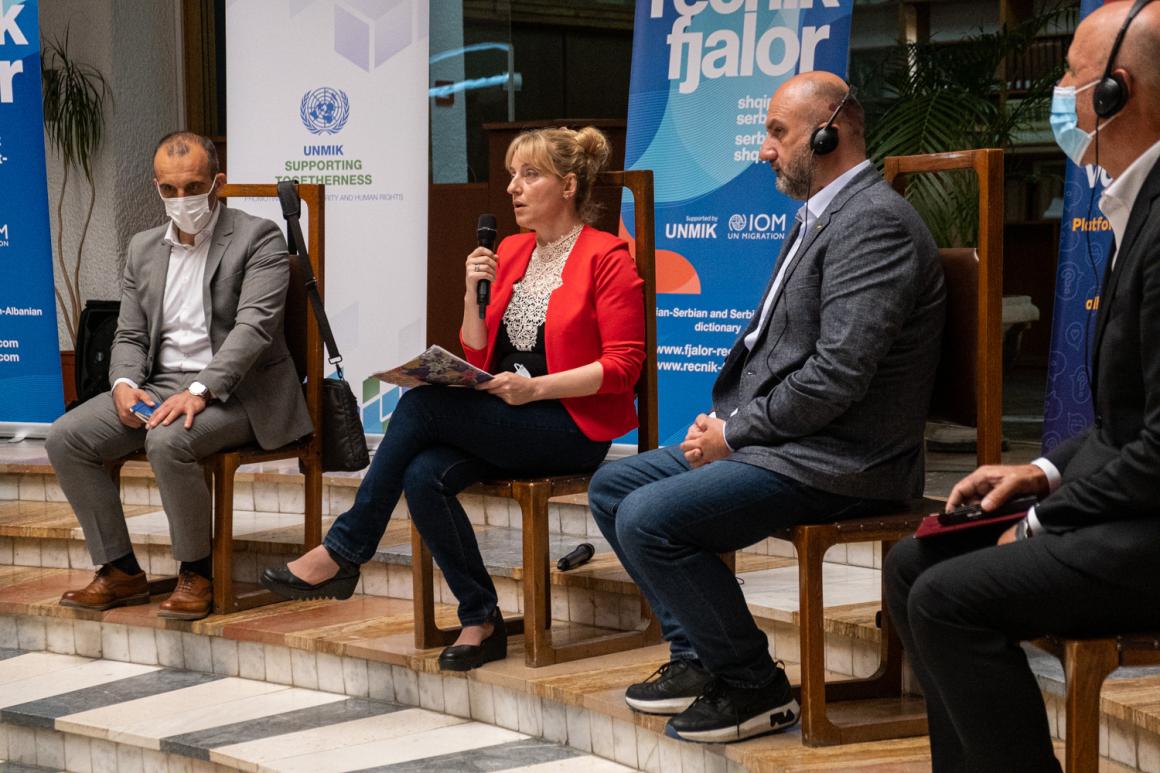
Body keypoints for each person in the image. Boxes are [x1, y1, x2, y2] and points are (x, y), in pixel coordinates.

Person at [588, 71, 946, 744]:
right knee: (614, 487)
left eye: (778, 132)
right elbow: (784, 354)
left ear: (829, 133)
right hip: (789, 443)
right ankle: (701, 657)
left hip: (846, 460)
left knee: (648, 517)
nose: (764, 149)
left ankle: (754, 684)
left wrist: (735, 433)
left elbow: (836, 376)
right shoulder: (823, 214)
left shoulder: (873, 223)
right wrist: (729, 426)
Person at [884, 2, 1160, 770]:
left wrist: (1043, 521)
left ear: (1117, 89)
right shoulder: (1136, 201)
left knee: (949, 599)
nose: (1060, 91)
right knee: (913, 565)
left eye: (1071, 73)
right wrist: (1039, 473)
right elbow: (1125, 421)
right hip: (1136, 509)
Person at [262, 126, 645, 672]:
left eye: (529, 175)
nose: (513, 188)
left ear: (568, 186)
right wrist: (471, 292)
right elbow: (476, 349)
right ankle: (481, 618)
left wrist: (536, 388)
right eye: (511, 175)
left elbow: (623, 368)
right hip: (507, 417)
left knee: (422, 406)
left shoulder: (607, 257)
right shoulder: (510, 250)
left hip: (569, 426)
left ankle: (345, 549)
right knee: (423, 474)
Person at [47, 132, 312, 621]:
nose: (181, 199)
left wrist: (199, 390)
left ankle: (196, 572)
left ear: (218, 183)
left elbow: (254, 330)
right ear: (157, 187)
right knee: (67, 437)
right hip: (160, 384)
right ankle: (119, 569)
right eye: (169, 189)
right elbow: (129, 334)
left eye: (192, 187)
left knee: (169, 439)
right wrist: (124, 384)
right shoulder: (143, 248)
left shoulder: (259, 237)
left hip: (241, 392)